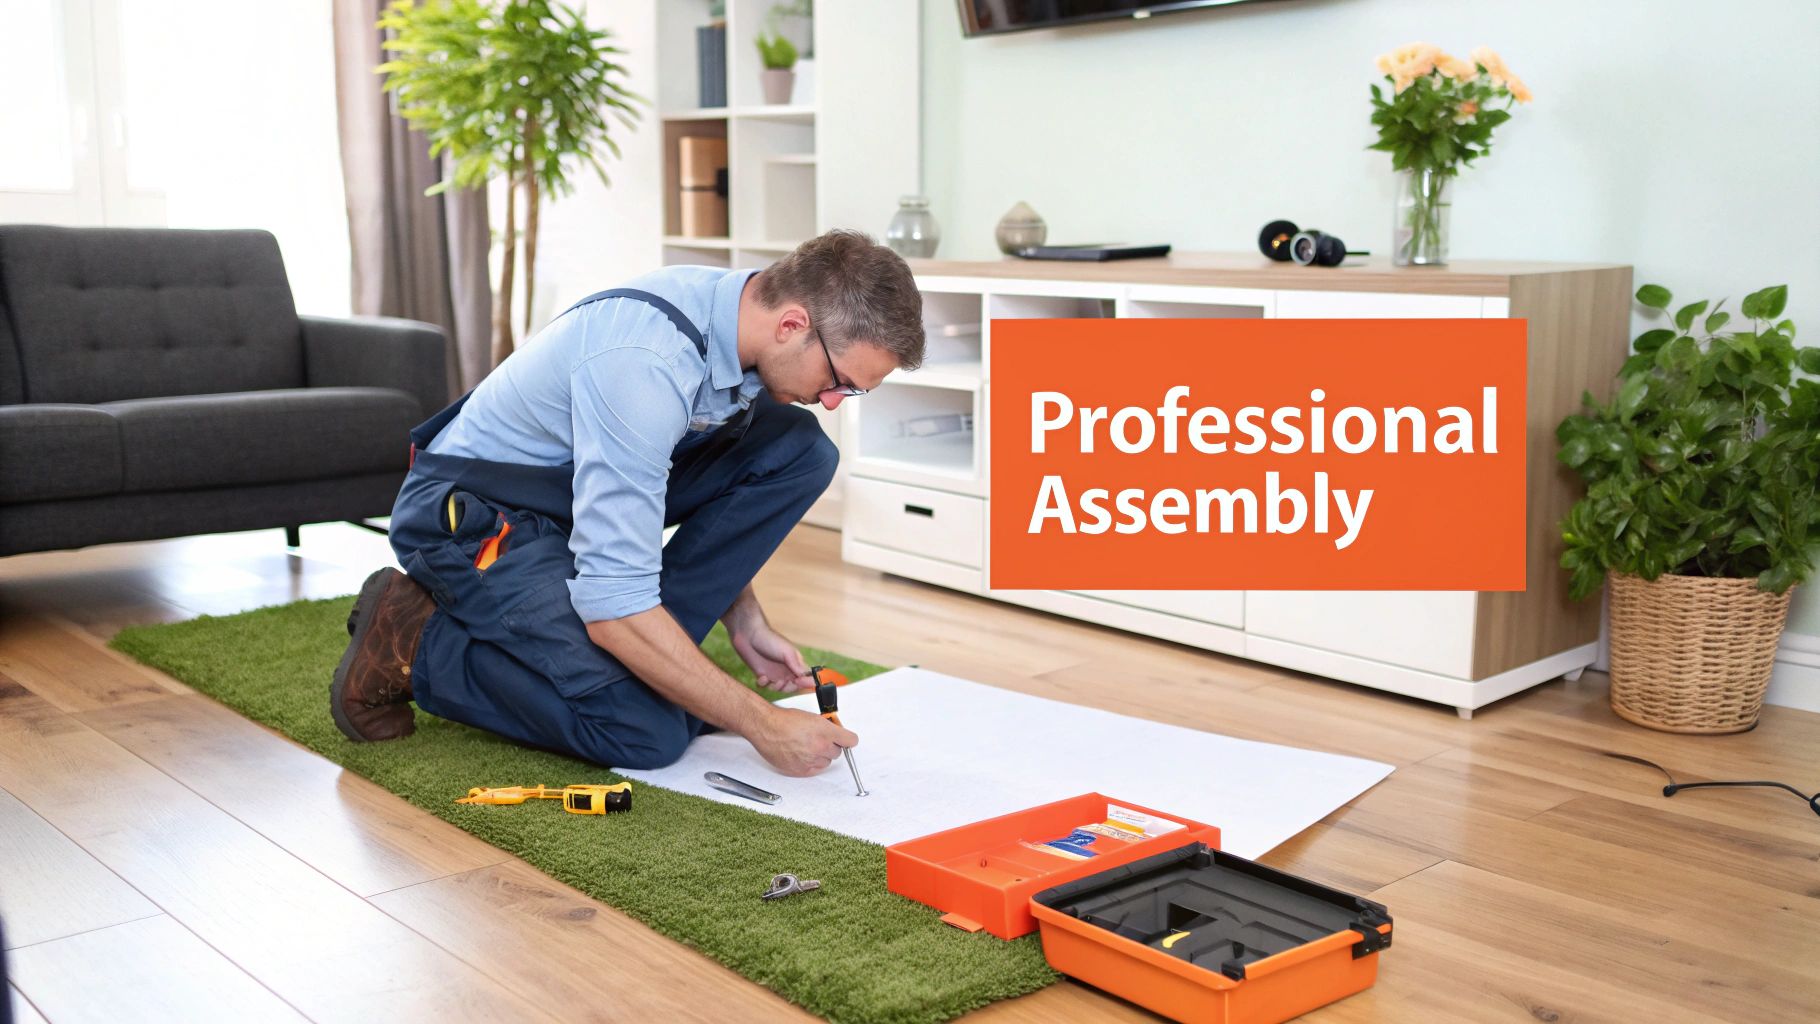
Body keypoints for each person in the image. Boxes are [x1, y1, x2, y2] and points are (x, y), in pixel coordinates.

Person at [328, 230, 925, 777]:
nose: (832, 401)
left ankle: (656, 659)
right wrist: (760, 723)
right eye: (840, 380)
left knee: (799, 450)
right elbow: (613, 607)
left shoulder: (742, 317)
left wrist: (743, 618)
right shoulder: (644, 366)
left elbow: (670, 486)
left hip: (571, 498)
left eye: (855, 392)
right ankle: (416, 636)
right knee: (646, 730)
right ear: (793, 324)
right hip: (478, 516)